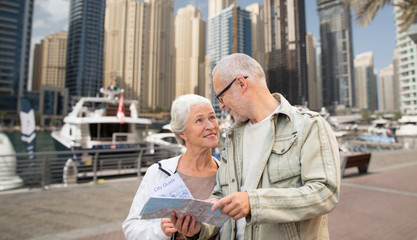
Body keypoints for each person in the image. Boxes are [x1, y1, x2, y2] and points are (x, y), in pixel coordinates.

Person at [171, 53, 340, 240]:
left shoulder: (308, 126)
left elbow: (325, 193)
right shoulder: (233, 137)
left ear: (241, 84)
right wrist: (198, 228)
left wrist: (254, 203)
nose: (222, 106)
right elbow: (221, 196)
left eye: (220, 97)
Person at [123, 94, 220, 240]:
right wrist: (161, 230)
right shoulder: (159, 172)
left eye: (212, 117)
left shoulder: (227, 173)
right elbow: (131, 228)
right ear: (182, 133)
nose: (211, 126)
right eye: (199, 120)